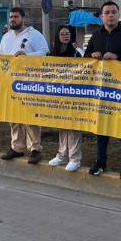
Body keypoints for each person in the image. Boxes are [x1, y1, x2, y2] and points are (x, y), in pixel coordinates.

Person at [0, 7, 49, 164]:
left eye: (16, 16)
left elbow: (44, 53)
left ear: (23, 18)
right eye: (11, 17)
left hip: (28, 82)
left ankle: (35, 149)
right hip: (10, 81)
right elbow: (1, 54)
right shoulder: (6, 37)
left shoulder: (34, 35)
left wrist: (27, 55)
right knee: (13, 116)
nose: (13, 19)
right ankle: (17, 147)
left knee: (29, 116)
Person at [47, 25, 88, 173]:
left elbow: (86, 69)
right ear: (57, 36)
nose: (66, 36)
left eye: (68, 34)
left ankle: (75, 158)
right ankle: (62, 155)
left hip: (74, 93)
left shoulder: (77, 52)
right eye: (63, 34)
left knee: (73, 126)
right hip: (59, 93)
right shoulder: (52, 54)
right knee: (62, 124)